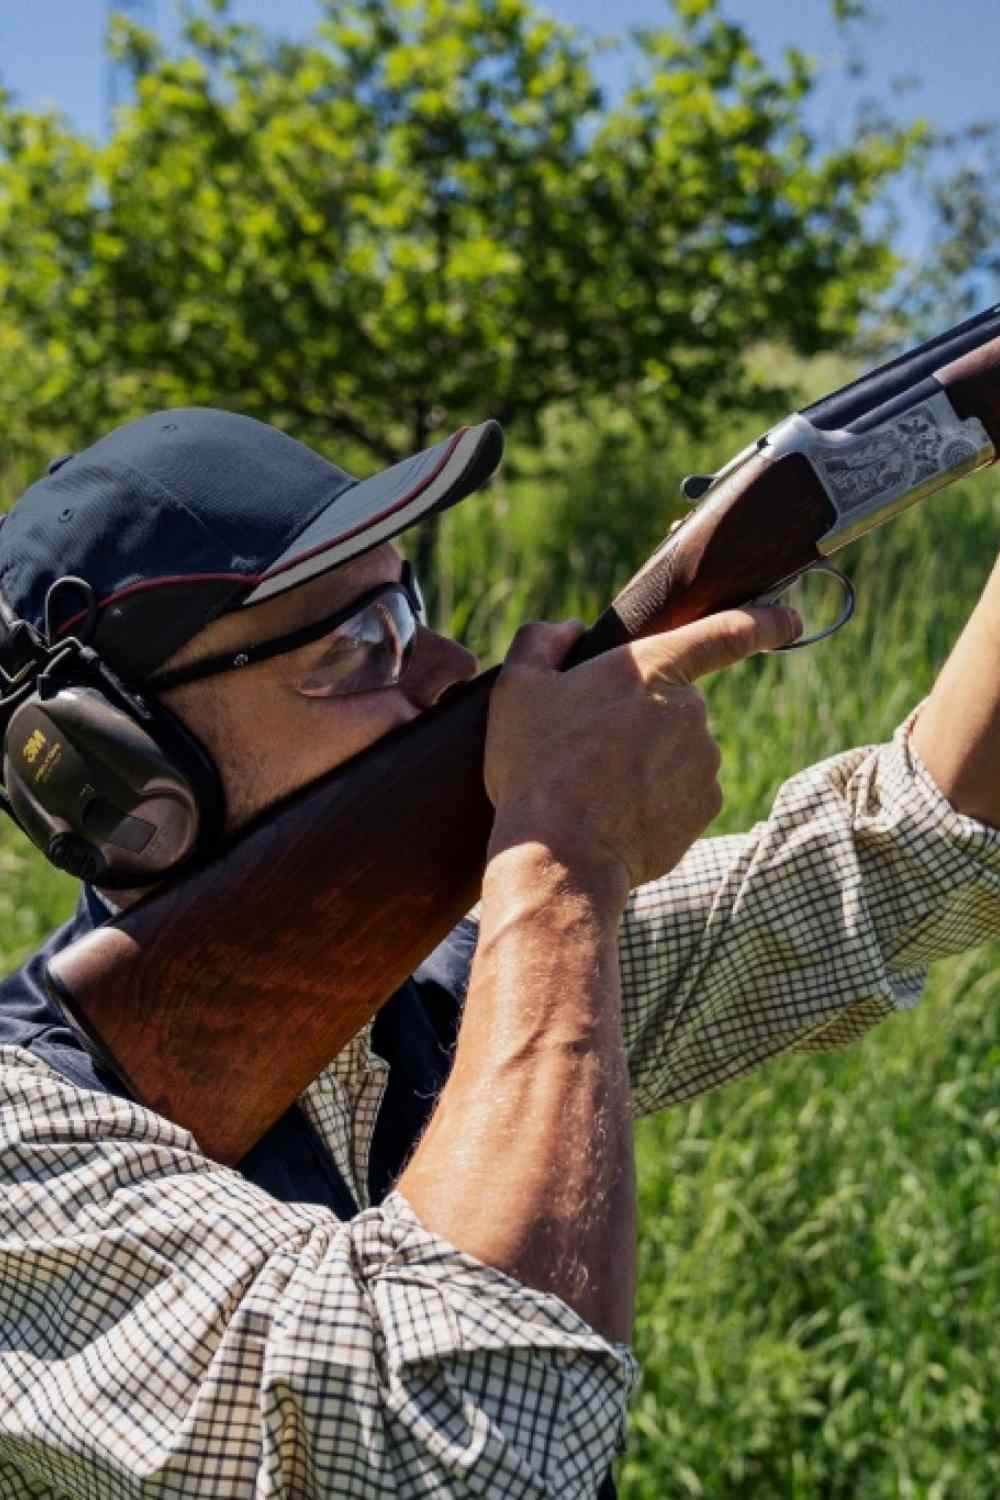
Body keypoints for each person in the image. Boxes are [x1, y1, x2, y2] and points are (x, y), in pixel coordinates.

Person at [0, 407, 998, 1500]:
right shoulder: (25, 1145)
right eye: (355, 645)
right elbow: (476, 1454)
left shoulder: (431, 978)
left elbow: (903, 862)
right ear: (117, 769)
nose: (449, 668)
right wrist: (560, 859)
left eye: (409, 604)